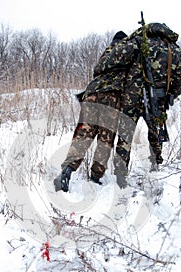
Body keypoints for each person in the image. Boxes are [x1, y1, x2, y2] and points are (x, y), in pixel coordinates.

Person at [54, 23, 181, 192]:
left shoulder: (137, 43)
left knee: (117, 136)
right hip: (155, 98)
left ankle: (117, 175)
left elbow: (107, 63)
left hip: (128, 97)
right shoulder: (173, 50)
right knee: (152, 134)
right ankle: (154, 168)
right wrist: (171, 94)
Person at [54, 31, 128, 192]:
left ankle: (67, 170)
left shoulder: (107, 53)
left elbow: (96, 73)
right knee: (105, 139)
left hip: (91, 95)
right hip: (111, 98)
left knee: (83, 135)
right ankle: (95, 176)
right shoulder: (127, 53)